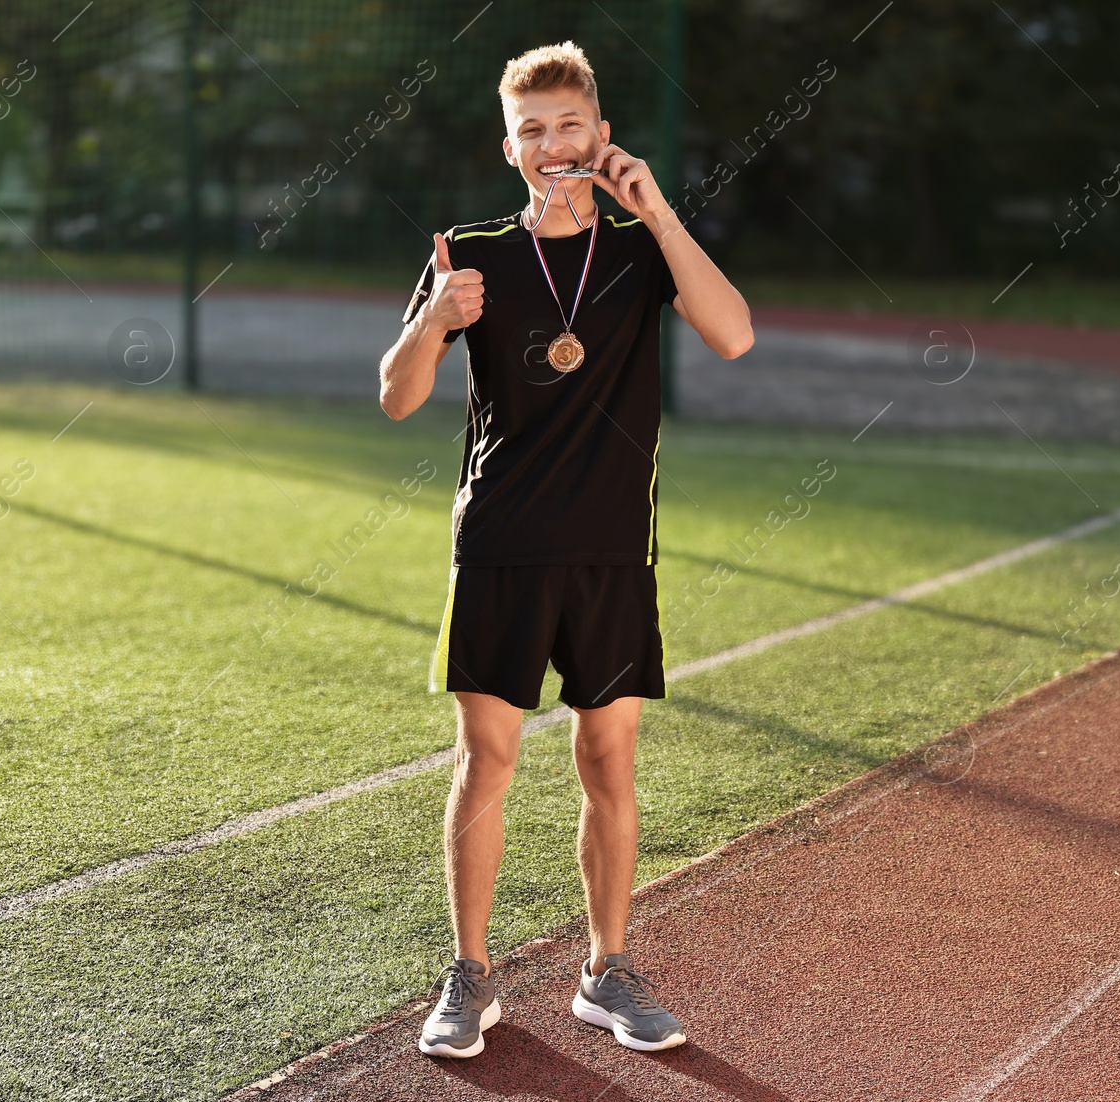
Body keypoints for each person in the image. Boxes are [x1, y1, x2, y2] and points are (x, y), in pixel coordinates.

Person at [379, 41, 753, 1059]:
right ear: (510, 146)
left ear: (599, 133)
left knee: (608, 759)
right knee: (486, 758)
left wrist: (661, 209)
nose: (553, 144)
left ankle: (607, 969)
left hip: (610, 550)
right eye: (532, 130)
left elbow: (732, 334)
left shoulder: (639, 247)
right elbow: (397, 395)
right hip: (499, 543)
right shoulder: (472, 250)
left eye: (569, 126)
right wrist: (433, 326)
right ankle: (468, 974)